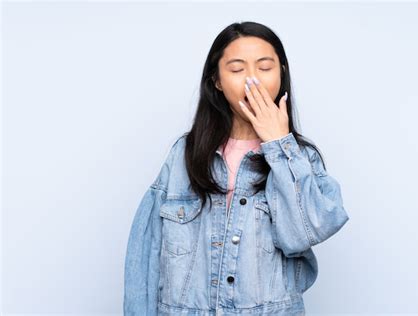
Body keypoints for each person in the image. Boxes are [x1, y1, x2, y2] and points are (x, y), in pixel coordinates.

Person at [123, 21, 350, 315]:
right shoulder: (184, 155)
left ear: (281, 74)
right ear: (217, 80)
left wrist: (280, 144)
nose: (252, 80)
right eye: (237, 69)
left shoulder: (301, 158)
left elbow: (305, 232)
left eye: (265, 68)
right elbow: (146, 254)